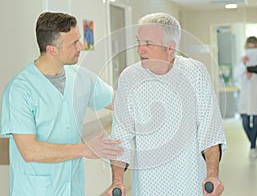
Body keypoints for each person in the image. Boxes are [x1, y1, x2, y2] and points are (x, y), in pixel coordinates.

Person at [0, 12, 123, 196]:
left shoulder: (81, 77)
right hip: (34, 191)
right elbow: (29, 150)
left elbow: (117, 101)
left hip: (73, 188)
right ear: (52, 50)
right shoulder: (20, 89)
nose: (81, 47)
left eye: (79, 40)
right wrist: (83, 149)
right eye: (74, 43)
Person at [106, 13, 227, 196]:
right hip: (148, 185)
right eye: (139, 42)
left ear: (170, 47)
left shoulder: (195, 73)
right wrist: (117, 180)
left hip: (191, 182)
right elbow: (120, 136)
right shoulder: (130, 78)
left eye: (148, 44)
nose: (140, 50)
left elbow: (210, 131)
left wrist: (213, 175)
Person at [234, 36, 257, 159]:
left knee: (255, 123)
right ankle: (253, 142)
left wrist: (253, 76)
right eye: (249, 48)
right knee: (245, 124)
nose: (251, 50)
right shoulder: (242, 60)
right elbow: (236, 75)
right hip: (245, 96)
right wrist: (242, 64)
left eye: (254, 47)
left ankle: (253, 147)